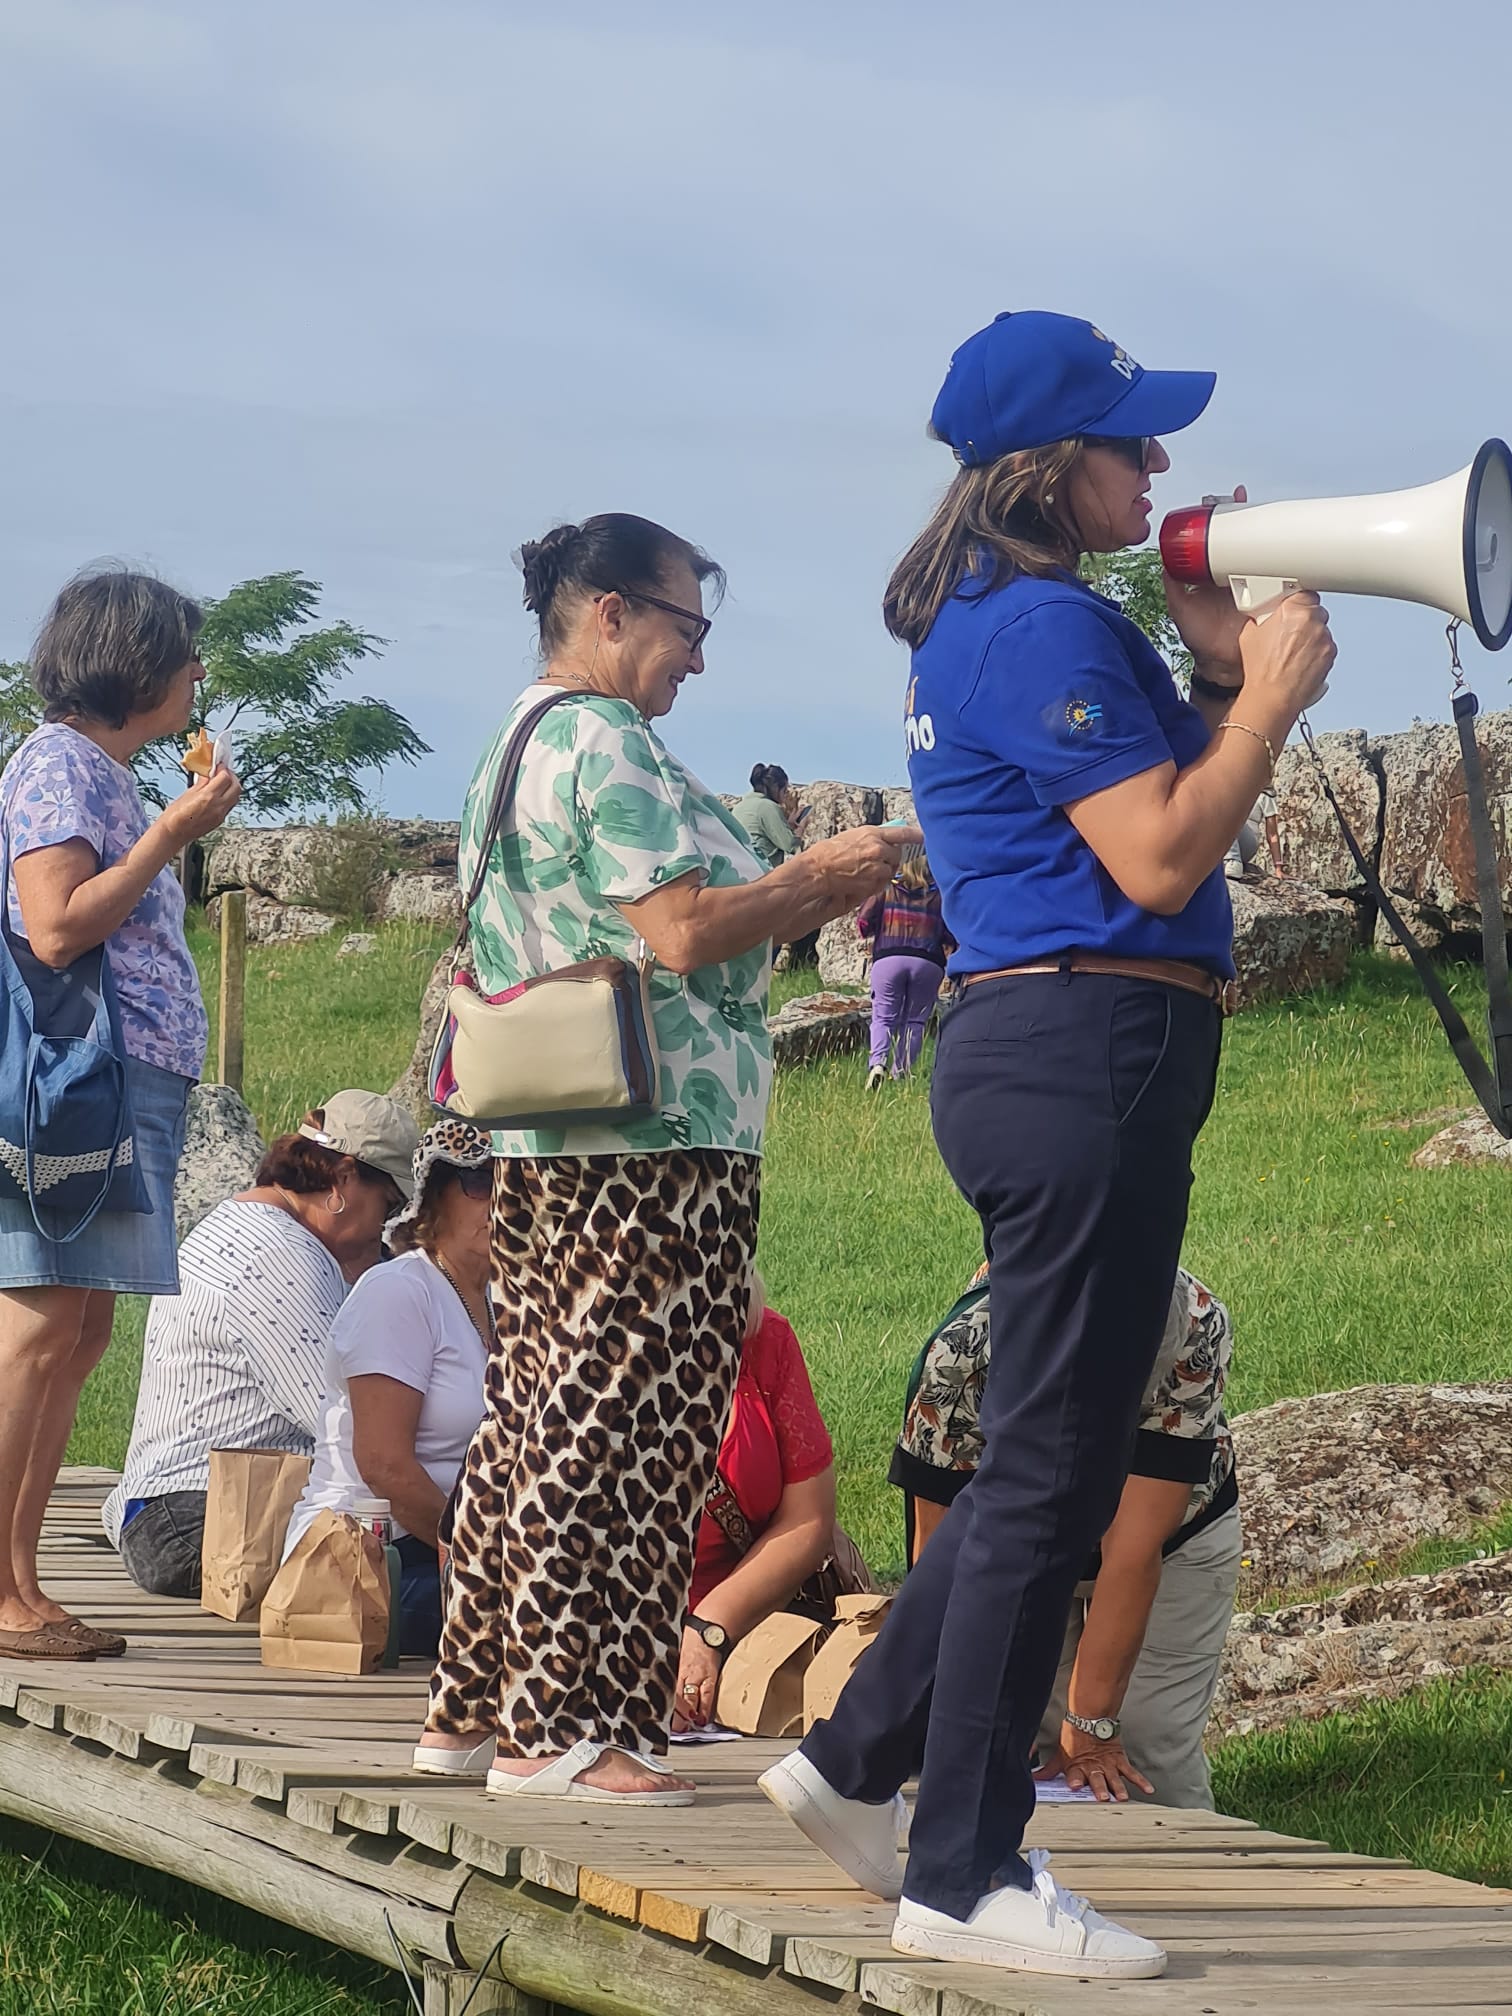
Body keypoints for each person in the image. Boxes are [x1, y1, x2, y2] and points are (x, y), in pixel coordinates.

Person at [759, 310, 1334, 1979]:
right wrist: (1268, 702)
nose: (1156, 466)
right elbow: (1157, 856)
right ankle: (964, 1872)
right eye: (1128, 441)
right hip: (1087, 1047)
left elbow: (1139, 817)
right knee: (1055, 1469)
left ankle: (859, 1761)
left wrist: (1212, 673)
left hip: (1057, 1046)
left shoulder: (1004, 618)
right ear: (1043, 465)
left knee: (1047, 1456)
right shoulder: (1041, 628)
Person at [416, 512, 916, 1805]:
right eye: (687, 625)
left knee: (535, 1408)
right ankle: (563, 1728)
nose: (697, 656)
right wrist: (819, 878)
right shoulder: (606, 739)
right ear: (612, 614)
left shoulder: (516, 740)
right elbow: (682, 931)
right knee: (623, 1425)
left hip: (550, 1130)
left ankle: (474, 1705)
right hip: (656, 1138)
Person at [0, 569, 241, 1664]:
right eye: (185, 655)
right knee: (40, 1325)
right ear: (131, 662)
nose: (197, 674)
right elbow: (54, 925)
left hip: (123, 1077)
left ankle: (21, 1581)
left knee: (80, 1329)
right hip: (80, 1078)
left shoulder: (102, 771)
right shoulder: (58, 763)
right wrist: (171, 833)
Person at [894, 1266, 1240, 1810]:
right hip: (1024, 1542)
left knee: (1151, 1744)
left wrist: (1093, 1723)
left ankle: (1186, 1859)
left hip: (1179, 1537)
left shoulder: (1196, 1325)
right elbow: (940, 1563)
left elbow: (1133, 1549)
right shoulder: (961, 1361)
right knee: (1038, 1733)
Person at [101, 1091, 419, 1596]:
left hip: (178, 1511)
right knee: (423, 1577)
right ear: (343, 1179)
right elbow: (341, 1419)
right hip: (200, 1519)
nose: (388, 1228)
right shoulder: (279, 1255)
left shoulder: (244, 1223)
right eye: (391, 1205)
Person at [285, 1119, 492, 1659]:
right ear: (434, 1197)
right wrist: (482, 1557)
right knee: (543, 1613)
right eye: (480, 1181)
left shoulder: (505, 1300)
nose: (504, 1196)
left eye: (519, 1180)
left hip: (459, 1545)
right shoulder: (399, 1291)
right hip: (368, 1558)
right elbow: (383, 1466)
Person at [671, 1273, 837, 1734]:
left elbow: (809, 1518)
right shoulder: (583, 1352)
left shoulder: (766, 1340)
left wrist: (707, 1632)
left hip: (751, 1636)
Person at [856, 849, 952, 1088]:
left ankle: (878, 1064)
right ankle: (901, 1072)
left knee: (883, 1017)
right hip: (928, 962)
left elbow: (864, 922)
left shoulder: (886, 888)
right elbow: (950, 934)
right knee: (915, 1021)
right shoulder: (940, 894)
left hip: (889, 958)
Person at [731, 764, 806, 870]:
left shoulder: (739, 807)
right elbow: (790, 845)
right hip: (761, 871)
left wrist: (787, 826)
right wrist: (800, 831)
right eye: (784, 790)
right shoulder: (768, 806)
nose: (785, 795)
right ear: (775, 787)